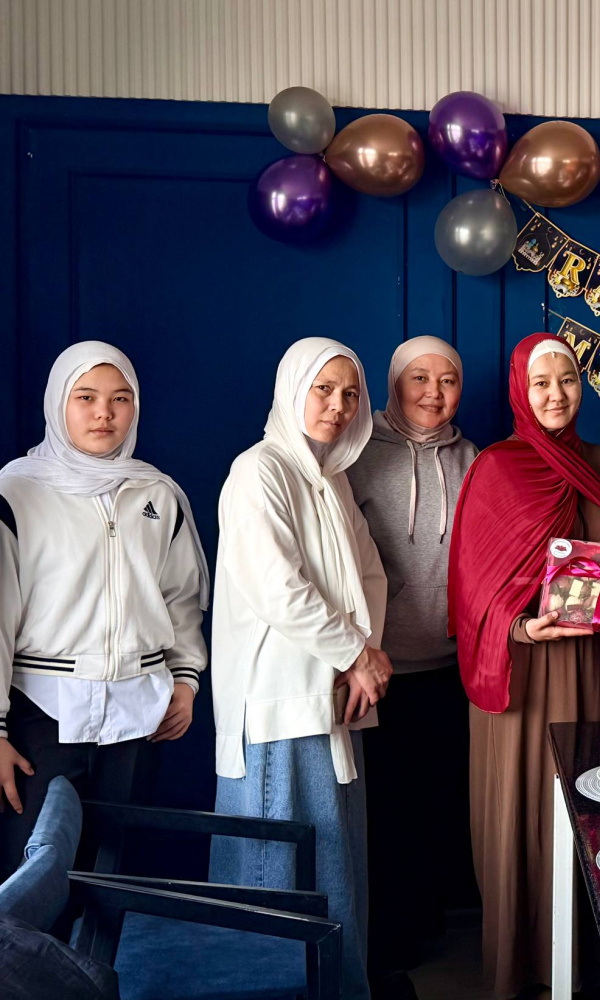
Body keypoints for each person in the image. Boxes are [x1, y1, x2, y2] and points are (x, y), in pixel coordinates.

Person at [447, 333, 600, 998]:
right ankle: (520, 972)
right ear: (521, 391)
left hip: (591, 667)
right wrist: (521, 627)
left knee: (585, 807)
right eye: (542, 382)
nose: (557, 395)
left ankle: (585, 967)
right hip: (522, 670)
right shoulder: (495, 466)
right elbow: (469, 589)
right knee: (522, 810)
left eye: (569, 380)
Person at [209, 338, 391, 1000]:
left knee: (333, 872)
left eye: (351, 393)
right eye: (324, 389)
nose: (338, 405)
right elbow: (277, 588)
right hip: (277, 708)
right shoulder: (259, 471)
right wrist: (355, 655)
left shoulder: (331, 479)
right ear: (292, 390)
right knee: (274, 877)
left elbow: (370, 577)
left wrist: (361, 660)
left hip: (333, 698)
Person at [0, 342, 208, 879]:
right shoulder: (16, 492)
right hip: (40, 713)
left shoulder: (157, 493)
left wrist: (185, 679)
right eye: (86, 397)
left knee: (114, 876)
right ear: (57, 403)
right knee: (35, 877)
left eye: (120, 398)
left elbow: (181, 597)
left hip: (139, 714)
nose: (104, 413)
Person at [345, 336, 478, 997]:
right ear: (394, 383)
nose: (433, 392)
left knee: (437, 805)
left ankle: (426, 927)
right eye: (419, 378)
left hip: (451, 664)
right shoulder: (358, 453)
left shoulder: (472, 457)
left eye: (447, 380)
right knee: (384, 811)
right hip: (379, 666)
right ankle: (387, 941)